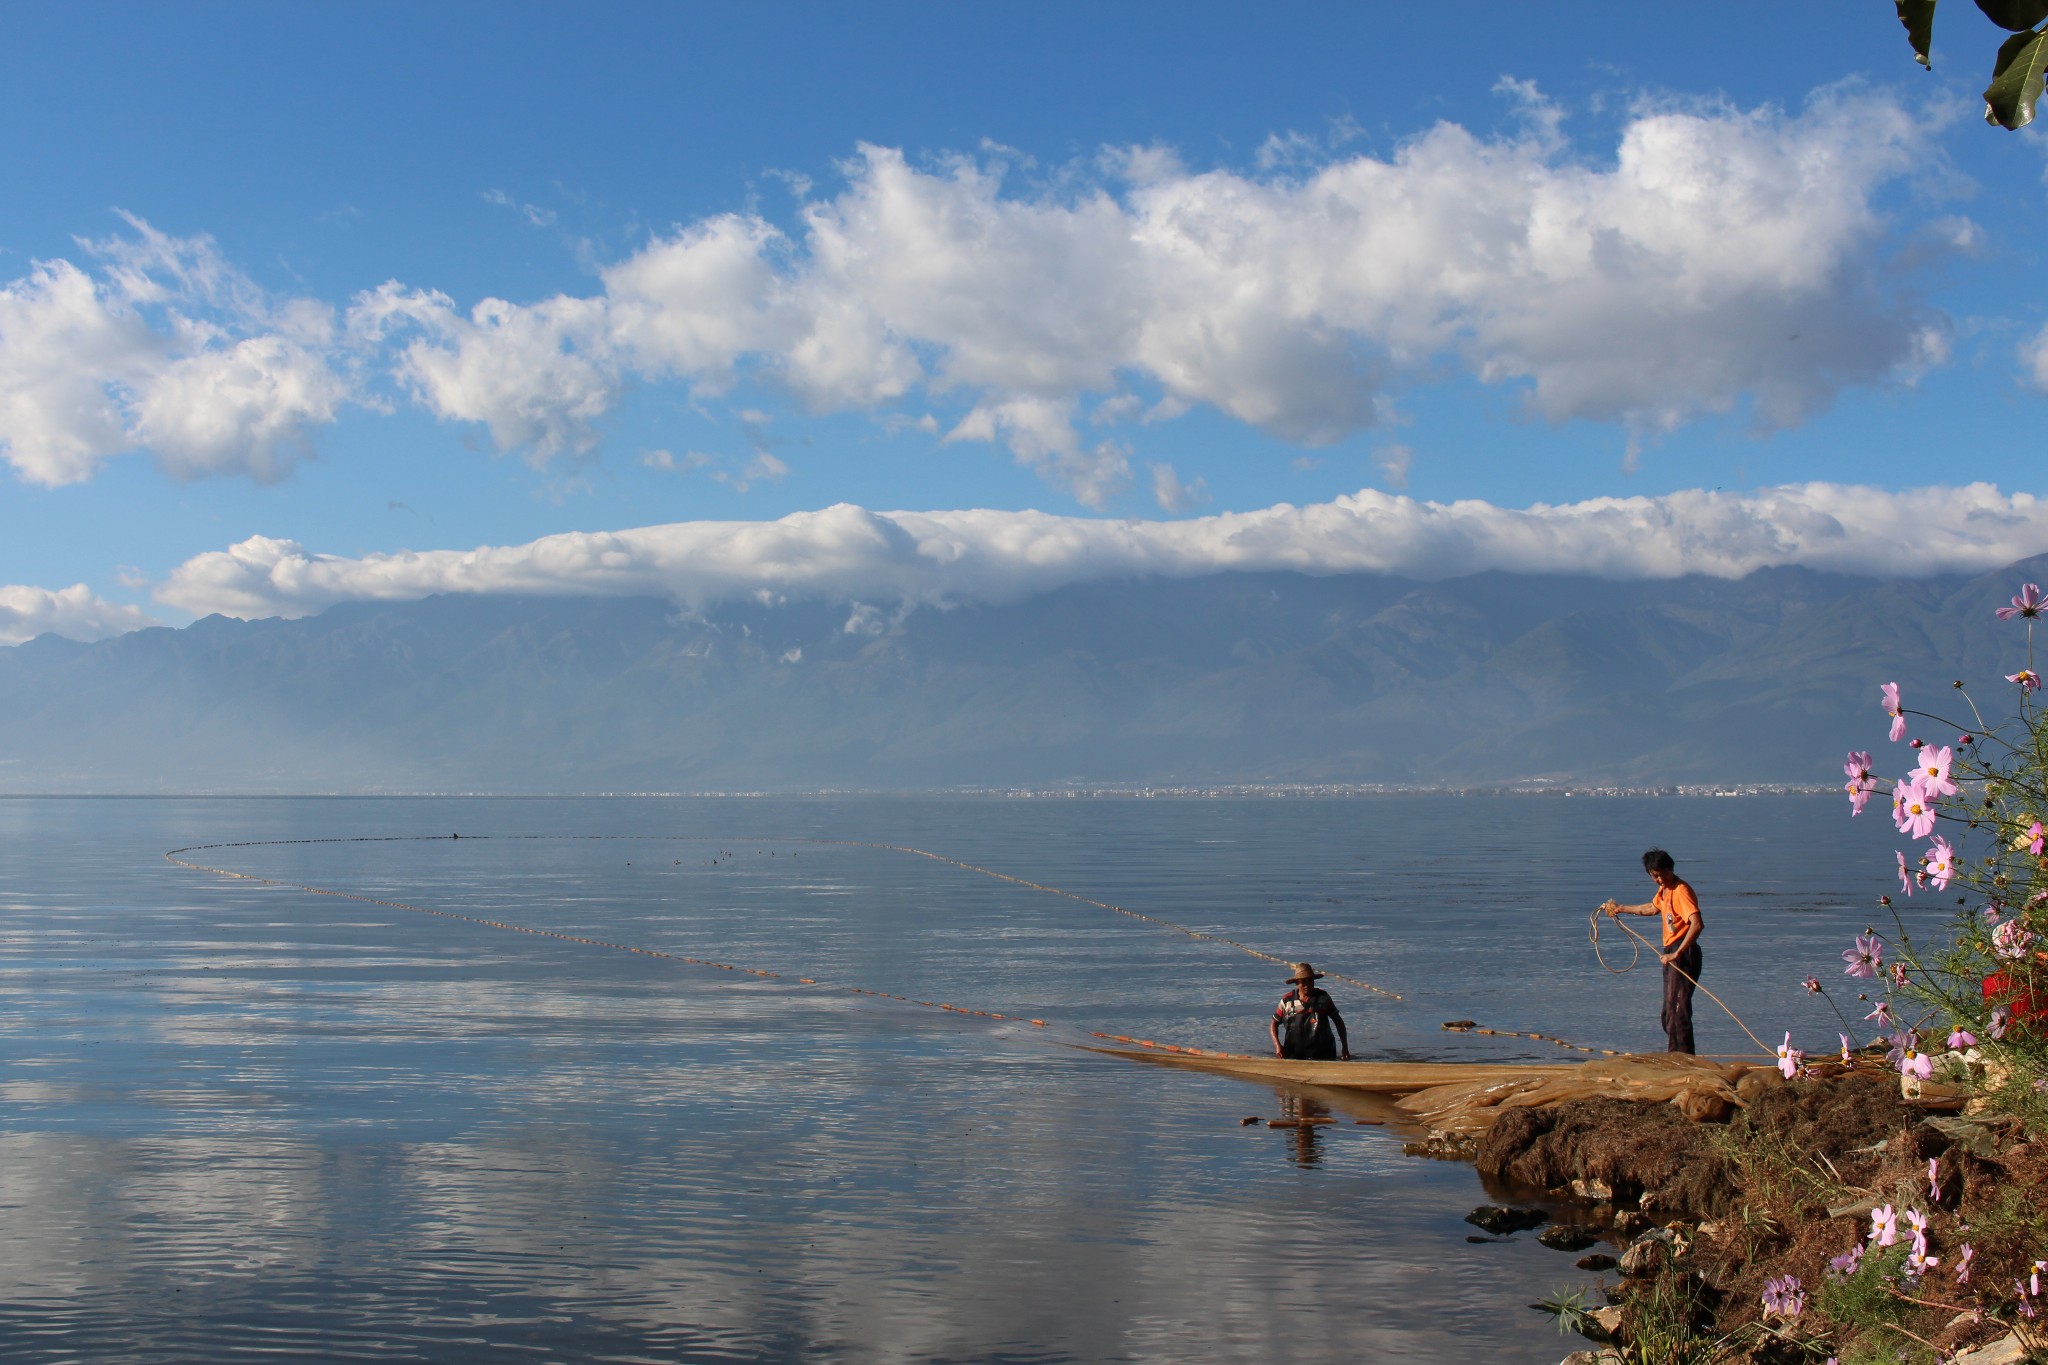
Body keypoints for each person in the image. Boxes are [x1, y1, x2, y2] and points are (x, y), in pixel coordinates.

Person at [1601, 849, 1704, 1054]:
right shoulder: (1664, 892)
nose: (1658, 879)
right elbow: (1650, 908)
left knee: (1678, 1010)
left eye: (1661, 874)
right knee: (1668, 1012)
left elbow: (1697, 924)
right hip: (1671, 953)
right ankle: (1677, 1052)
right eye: (1654, 876)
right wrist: (1620, 908)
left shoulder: (1680, 890)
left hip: (1684, 953)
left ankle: (1682, 1058)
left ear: (1670, 869)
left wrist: (1678, 953)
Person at [1270, 962, 1352, 1060]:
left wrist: (1345, 1047)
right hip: (1294, 1055)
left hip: (1324, 1054)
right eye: (1303, 982)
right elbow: (1273, 1024)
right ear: (1296, 983)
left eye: (1310, 981)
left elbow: (1338, 1021)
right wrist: (1277, 1046)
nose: (1307, 985)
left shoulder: (1323, 998)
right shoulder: (1287, 1000)